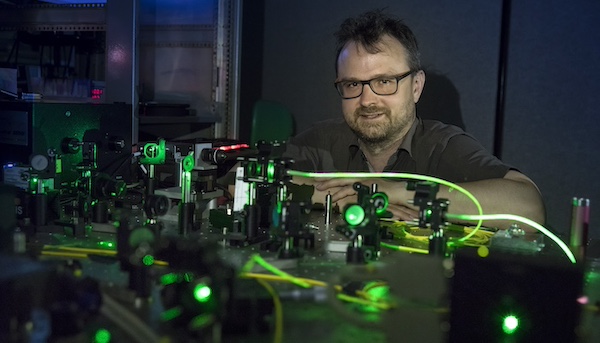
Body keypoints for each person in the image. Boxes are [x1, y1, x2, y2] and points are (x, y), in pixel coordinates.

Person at [283, 9, 545, 230]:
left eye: (384, 82)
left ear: (416, 86)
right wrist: (347, 198)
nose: (367, 100)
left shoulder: (443, 145)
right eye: (353, 84)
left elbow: (529, 207)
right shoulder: (323, 138)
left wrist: (393, 192)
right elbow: (243, 182)